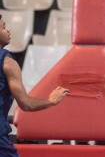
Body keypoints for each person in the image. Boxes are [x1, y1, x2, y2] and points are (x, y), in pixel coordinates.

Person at [0, 15, 70, 157]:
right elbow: (26, 104)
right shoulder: (7, 63)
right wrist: (51, 100)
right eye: (3, 27)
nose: (8, 31)